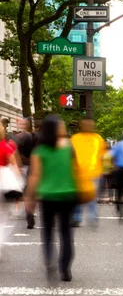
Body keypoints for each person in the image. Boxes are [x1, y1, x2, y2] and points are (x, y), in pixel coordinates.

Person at [25, 115, 77, 281]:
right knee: (66, 233)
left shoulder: (39, 151)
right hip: (68, 194)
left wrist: (30, 197)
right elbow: (76, 170)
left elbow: (34, 176)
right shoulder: (69, 147)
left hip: (48, 196)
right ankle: (65, 269)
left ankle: (49, 260)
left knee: (47, 231)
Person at [70, 119, 105, 227]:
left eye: (91, 124)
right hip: (78, 173)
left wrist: (104, 170)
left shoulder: (98, 138)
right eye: (86, 124)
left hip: (94, 173)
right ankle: (77, 217)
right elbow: (70, 155)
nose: (89, 126)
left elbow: (103, 155)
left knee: (91, 196)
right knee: (77, 197)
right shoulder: (75, 138)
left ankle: (92, 217)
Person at [0, 123, 22, 260]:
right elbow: (15, 167)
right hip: (4, 185)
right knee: (3, 219)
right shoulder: (5, 147)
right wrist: (19, 184)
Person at [13, 117, 35, 229]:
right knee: (28, 192)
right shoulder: (32, 136)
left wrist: (18, 166)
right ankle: (29, 213)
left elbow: (15, 152)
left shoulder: (21, 137)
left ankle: (27, 213)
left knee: (24, 191)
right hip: (30, 165)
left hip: (23, 166)